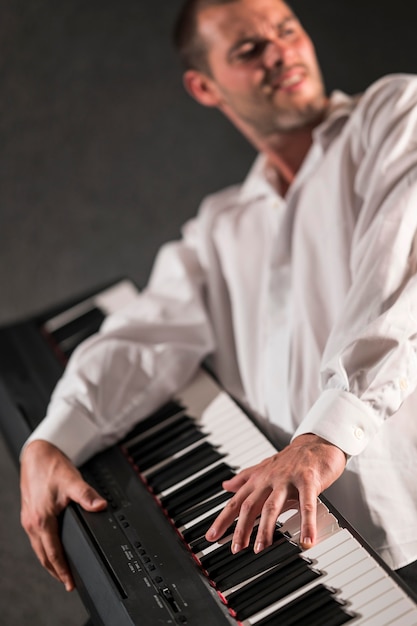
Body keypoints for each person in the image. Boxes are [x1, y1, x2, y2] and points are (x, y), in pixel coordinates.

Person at [20, 0, 417, 597]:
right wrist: (54, 438)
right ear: (204, 86)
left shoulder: (394, 114)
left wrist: (321, 439)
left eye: (286, 30)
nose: (281, 52)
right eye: (249, 49)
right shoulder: (220, 225)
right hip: (306, 567)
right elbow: (141, 338)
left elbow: (401, 280)